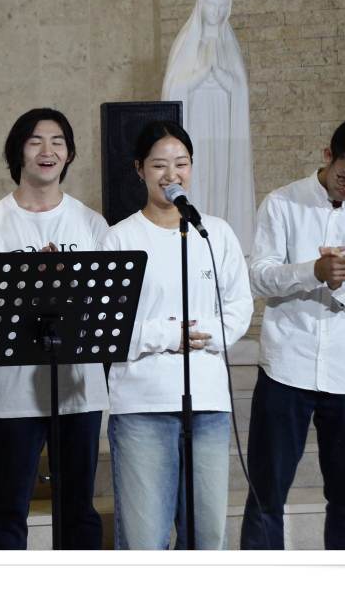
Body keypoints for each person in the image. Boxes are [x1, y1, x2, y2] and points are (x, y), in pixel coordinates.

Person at [239, 115, 345, 551]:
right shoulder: (282, 203)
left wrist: (341, 284)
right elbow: (259, 276)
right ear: (328, 155)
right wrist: (312, 271)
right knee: (266, 496)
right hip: (286, 367)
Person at [0, 107, 109, 549]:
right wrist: (29, 287)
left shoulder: (91, 224)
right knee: (9, 506)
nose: (48, 151)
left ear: (69, 154)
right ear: (18, 152)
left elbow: (109, 302)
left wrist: (66, 286)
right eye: (35, 141)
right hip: (12, 388)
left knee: (78, 507)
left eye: (58, 142)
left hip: (77, 386)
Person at [99, 120, 252, 549]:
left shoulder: (213, 231)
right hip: (143, 403)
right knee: (145, 540)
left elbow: (240, 306)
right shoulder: (120, 238)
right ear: (139, 170)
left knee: (208, 536)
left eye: (181, 164)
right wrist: (168, 336)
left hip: (207, 400)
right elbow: (109, 326)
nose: (172, 175)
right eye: (159, 165)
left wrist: (207, 334)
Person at [160, 0, 256, 255]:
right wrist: (203, 73)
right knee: (197, 170)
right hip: (196, 121)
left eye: (222, 5)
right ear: (201, 6)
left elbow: (239, 89)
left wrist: (221, 75)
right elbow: (174, 88)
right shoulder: (187, 43)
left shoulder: (229, 47)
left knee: (221, 174)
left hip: (224, 128)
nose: (216, 11)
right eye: (212, 4)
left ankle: (222, 236)